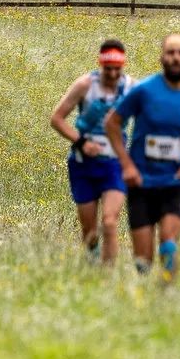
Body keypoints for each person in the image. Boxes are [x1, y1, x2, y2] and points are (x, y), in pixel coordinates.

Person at [104, 33, 180, 281]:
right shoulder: (143, 91)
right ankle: (145, 303)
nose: (176, 58)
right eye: (171, 52)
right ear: (162, 57)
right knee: (143, 261)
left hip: (175, 182)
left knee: (168, 244)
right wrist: (126, 165)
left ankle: (168, 295)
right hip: (141, 182)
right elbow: (112, 123)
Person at [49, 40, 134, 265]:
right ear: (100, 65)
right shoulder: (85, 85)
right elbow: (57, 119)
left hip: (115, 165)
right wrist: (82, 143)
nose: (114, 74)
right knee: (90, 232)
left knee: (109, 221)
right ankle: (93, 260)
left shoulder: (131, 88)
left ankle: (108, 276)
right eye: (109, 69)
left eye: (118, 69)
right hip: (83, 164)